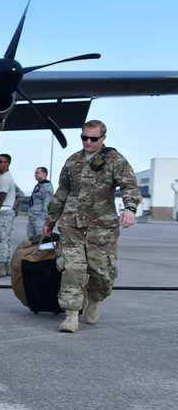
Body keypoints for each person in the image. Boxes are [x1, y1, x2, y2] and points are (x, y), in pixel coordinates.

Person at [42, 120, 142, 333]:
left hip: (102, 227)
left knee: (102, 274)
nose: (88, 142)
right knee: (72, 269)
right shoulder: (72, 161)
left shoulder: (115, 160)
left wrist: (130, 208)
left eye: (93, 138)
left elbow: (129, 185)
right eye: (84, 138)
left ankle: (96, 299)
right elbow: (62, 193)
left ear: (103, 138)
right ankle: (70, 315)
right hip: (72, 224)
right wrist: (50, 221)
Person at [27, 166, 55, 240]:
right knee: (31, 239)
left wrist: (44, 219)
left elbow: (47, 204)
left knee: (40, 239)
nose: (35, 174)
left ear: (44, 173)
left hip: (39, 218)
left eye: (37, 173)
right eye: (35, 173)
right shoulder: (39, 185)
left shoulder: (47, 186)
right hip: (32, 217)